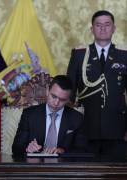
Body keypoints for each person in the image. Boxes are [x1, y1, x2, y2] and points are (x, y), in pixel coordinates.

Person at [67, 10, 127, 156]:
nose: (103, 28)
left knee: (116, 175)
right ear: (92, 29)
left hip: (117, 130)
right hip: (84, 129)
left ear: (113, 28)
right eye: (98, 25)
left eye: (107, 25)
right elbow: (69, 93)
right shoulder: (79, 54)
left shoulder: (124, 55)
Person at [12, 75, 87, 155]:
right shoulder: (29, 114)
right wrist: (27, 148)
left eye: (62, 100)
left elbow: (82, 150)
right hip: (35, 165)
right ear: (47, 91)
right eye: (54, 96)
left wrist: (63, 151)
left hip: (62, 165)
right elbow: (16, 147)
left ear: (68, 99)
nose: (56, 103)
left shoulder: (77, 118)